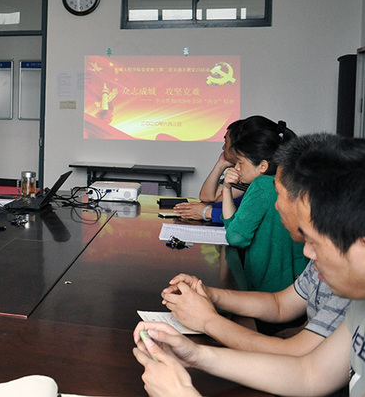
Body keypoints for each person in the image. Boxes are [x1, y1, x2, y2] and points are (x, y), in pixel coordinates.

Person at [133, 134, 365, 397]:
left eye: (315, 242)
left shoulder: (352, 293)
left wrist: (181, 393)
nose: (307, 253)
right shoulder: (360, 305)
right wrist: (196, 355)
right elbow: (308, 373)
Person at [161, 133, 351, 356]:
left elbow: (300, 362)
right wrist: (208, 294)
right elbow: (279, 304)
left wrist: (207, 321)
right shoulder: (325, 254)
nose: (276, 205)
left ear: (304, 199)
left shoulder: (346, 277)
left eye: (278, 193)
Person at [221, 119, 306, 292]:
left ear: (262, 166)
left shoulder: (261, 185)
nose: (236, 168)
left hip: (267, 289)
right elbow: (235, 228)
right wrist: (227, 188)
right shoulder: (289, 181)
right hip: (297, 285)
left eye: (240, 162)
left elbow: (235, 237)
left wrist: (226, 188)